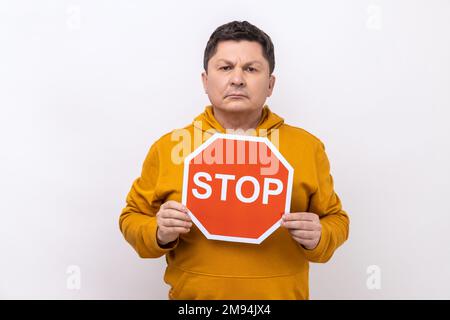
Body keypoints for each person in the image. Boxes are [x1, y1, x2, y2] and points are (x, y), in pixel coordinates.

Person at [119, 21, 349, 300]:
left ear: (271, 84)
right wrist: (158, 231)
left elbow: (335, 219)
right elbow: (132, 217)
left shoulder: (307, 147)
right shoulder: (169, 148)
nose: (237, 79)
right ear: (206, 80)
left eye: (251, 69)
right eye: (225, 67)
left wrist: (320, 236)